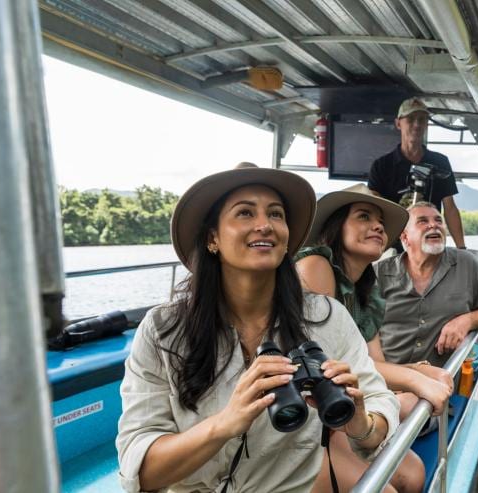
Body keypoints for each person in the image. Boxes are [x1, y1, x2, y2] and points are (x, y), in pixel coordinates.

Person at [116, 163, 399, 493]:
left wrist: (360, 422)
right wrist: (224, 423)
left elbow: (380, 404)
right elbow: (140, 470)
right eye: (245, 213)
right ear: (212, 238)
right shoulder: (163, 330)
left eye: (276, 215)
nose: (265, 225)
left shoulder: (326, 319)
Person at [295, 184, 451, 493]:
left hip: (340, 410)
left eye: (380, 221)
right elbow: (325, 369)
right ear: (337, 227)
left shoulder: (365, 291)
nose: (377, 226)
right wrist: (415, 379)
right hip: (306, 414)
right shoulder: (316, 266)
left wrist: (419, 370)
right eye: (363, 217)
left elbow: (371, 365)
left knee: (414, 474)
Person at [375, 201, 478, 368]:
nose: (433, 226)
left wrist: (467, 320)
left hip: (441, 379)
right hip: (387, 378)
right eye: (422, 221)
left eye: (438, 221)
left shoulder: (467, 264)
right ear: (405, 237)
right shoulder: (378, 273)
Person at [368, 97, 466, 249]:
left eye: (422, 119)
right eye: (411, 119)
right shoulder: (381, 166)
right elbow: (374, 209)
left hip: (430, 244)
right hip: (393, 247)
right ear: (398, 123)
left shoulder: (440, 162)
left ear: (427, 124)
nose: (417, 124)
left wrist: (461, 248)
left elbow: (450, 208)